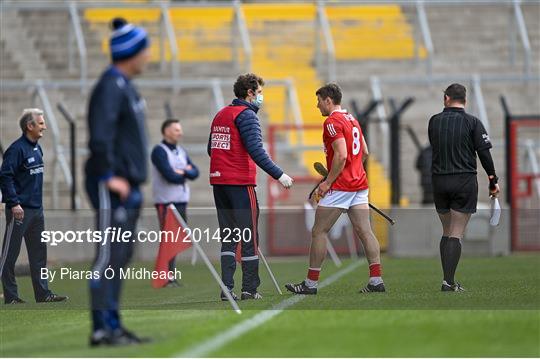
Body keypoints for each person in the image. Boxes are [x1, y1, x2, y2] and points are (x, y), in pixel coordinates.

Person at [84, 18, 151, 346]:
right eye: (145, 49)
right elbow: (100, 137)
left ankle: (113, 322)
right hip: (113, 184)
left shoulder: (126, 86)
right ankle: (101, 328)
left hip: (129, 184)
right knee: (108, 256)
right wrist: (110, 176)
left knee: (121, 256)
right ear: (131, 52)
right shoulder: (111, 86)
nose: (148, 56)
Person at [285, 83, 385, 295]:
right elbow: (364, 152)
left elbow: (341, 155)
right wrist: (352, 172)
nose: (317, 105)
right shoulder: (352, 119)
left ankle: (310, 284)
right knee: (365, 231)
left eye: (319, 101)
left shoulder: (332, 122)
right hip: (359, 185)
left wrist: (328, 181)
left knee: (319, 231)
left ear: (328, 100)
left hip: (341, 187)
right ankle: (376, 280)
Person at [208, 73, 293, 301]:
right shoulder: (247, 116)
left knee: (228, 237)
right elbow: (256, 151)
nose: (261, 97)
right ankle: (249, 289)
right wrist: (280, 175)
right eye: (260, 92)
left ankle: (227, 289)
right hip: (240, 182)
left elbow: (211, 149)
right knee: (249, 237)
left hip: (219, 183)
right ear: (250, 93)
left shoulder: (221, 114)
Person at [428, 83, 500, 292]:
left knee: (447, 230)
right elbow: (484, 154)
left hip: (439, 181)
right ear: (465, 101)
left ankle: (446, 279)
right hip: (464, 181)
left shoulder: (434, 121)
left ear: (446, 99)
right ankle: (448, 282)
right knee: (456, 233)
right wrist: (493, 180)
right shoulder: (473, 122)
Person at [0, 109, 68, 304]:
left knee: (39, 255)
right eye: (40, 123)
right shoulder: (16, 149)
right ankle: (11, 297)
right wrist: (14, 203)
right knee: (10, 254)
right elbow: (5, 177)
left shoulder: (38, 149)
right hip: (20, 211)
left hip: (37, 211)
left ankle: (43, 293)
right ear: (29, 126)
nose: (44, 127)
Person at [151, 119, 199, 287]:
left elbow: (195, 172)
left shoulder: (180, 151)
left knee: (176, 239)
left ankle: (169, 275)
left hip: (180, 202)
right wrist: (184, 173)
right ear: (167, 131)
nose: (181, 133)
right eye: (177, 130)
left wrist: (182, 172)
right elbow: (169, 175)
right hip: (166, 203)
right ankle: (165, 276)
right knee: (168, 238)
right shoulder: (159, 151)